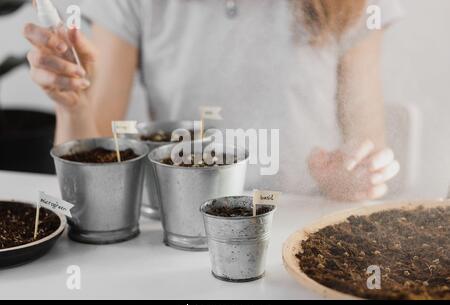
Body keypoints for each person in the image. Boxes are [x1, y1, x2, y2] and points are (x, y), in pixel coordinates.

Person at [23, 0, 403, 201]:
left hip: (302, 218)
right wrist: (74, 107)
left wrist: (350, 178)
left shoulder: (354, 4)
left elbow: (366, 147)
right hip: (177, 222)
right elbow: (96, 171)